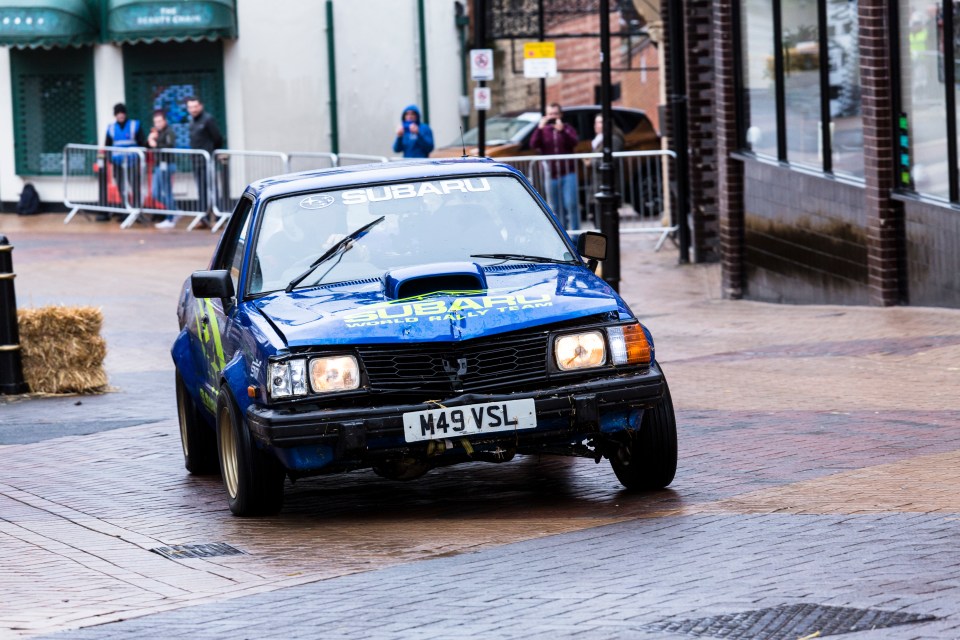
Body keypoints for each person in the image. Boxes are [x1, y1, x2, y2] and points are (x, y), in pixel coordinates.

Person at [530, 103, 580, 230]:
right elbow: (533, 144)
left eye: (555, 114)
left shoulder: (567, 128)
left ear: (561, 115)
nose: (553, 117)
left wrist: (562, 131)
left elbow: (575, 142)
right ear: (546, 116)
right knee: (555, 207)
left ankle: (575, 234)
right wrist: (539, 128)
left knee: (571, 204)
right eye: (550, 114)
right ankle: (562, 234)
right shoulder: (543, 131)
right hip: (550, 175)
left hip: (568, 172)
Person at [102, 103, 146, 221]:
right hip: (117, 162)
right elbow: (108, 146)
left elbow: (142, 142)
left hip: (132, 161)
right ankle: (125, 210)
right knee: (121, 186)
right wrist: (110, 159)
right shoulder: (111, 128)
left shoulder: (134, 125)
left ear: (125, 114)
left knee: (134, 186)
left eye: (122, 113)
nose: (120, 115)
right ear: (115, 115)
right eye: (118, 113)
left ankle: (137, 212)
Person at [186, 96, 224, 214]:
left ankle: (218, 215)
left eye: (195, 106)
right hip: (197, 160)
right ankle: (204, 217)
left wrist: (213, 152)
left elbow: (218, 138)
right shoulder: (192, 121)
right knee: (201, 190)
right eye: (191, 107)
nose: (193, 109)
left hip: (208, 160)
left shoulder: (208, 119)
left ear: (201, 106)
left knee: (212, 188)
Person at [148, 110, 178, 229]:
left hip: (167, 164)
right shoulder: (157, 133)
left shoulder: (169, 132)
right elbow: (149, 146)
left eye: (160, 121)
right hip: (158, 165)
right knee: (155, 192)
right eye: (156, 122)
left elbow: (169, 146)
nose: (158, 124)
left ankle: (170, 218)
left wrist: (156, 144)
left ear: (164, 121)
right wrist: (150, 139)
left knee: (167, 191)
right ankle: (174, 210)